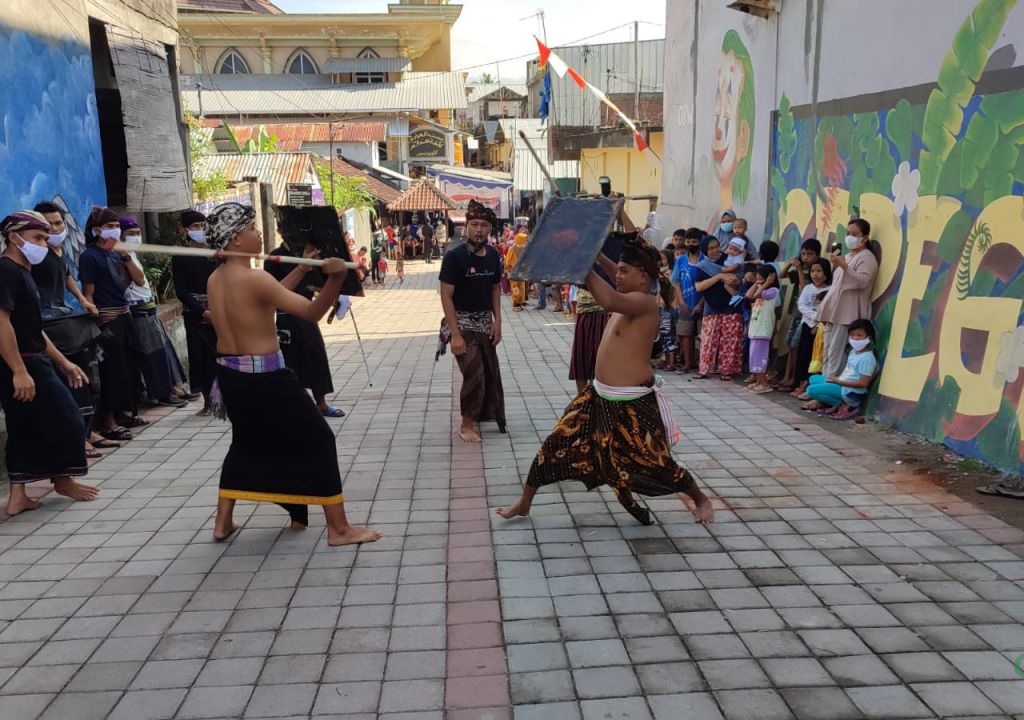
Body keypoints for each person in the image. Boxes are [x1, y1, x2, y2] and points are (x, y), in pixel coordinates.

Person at [496, 238, 713, 527]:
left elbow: (609, 299)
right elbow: (615, 281)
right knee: (555, 443)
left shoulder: (642, 302)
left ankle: (700, 499)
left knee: (656, 463)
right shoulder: (632, 290)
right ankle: (525, 502)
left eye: (624, 271)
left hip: (632, 402)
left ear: (643, 277)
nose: (618, 275)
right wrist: (596, 254)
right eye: (617, 270)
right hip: (597, 396)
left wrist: (583, 267)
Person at [203, 202, 381, 545]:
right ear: (236, 240)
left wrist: (300, 266)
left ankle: (222, 520)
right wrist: (337, 278)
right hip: (266, 379)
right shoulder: (254, 278)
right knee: (320, 439)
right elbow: (312, 311)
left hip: (230, 374)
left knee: (246, 441)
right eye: (251, 228)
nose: (258, 233)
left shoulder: (218, 278)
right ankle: (339, 529)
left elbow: (266, 298)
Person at [0, 211, 98, 516]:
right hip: (22, 363)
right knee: (68, 418)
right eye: (37, 238)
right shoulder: (6, 271)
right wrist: (19, 371)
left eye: (45, 237)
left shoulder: (22, 271)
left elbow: (33, 328)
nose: (44, 244)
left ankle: (18, 496)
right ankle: (63, 479)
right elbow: (2, 322)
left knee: (23, 426)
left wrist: (64, 362)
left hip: (32, 358)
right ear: (15, 238)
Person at [437, 199, 506, 443]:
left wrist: (498, 322)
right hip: (461, 322)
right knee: (474, 372)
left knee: (489, 372)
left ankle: (483, 414)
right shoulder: (454, 257)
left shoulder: (494, 256)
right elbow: (446, 296)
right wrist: (455, 334)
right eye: (474, 224)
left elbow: (496, 288)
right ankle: (466, 425)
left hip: (484, 322)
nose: (479, 229)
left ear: (490, 229)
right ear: (466, 227)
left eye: (484, 225)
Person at [79, 206, 146, 440]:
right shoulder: (90, 256)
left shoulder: (118, 254)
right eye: (110, 227)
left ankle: (123, 413)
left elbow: (139, 280)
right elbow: (88, 293)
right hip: (107, 319)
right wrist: (95, 318)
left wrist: (126, 255)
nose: (115, 230)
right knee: (112, 371)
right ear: (97, 230)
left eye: (117, 226)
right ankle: (108, 421)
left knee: (129, 367)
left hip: (125, 315)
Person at [264, 241, 345, 418]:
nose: (259, 234)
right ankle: (295, 406)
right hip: (286, 317)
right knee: (291, 362)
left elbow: (318, 286)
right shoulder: (274, 258)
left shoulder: (310, 255)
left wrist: (336, 286)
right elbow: (274, 292)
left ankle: (321, 404)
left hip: (307, 313)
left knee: (316, 356)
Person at [120, 217, 187, 409]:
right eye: (130, 234)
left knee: (163, 349)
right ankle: (160, 392)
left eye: (137, 233)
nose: (135, 237)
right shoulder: (121, 256)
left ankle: (171, 388)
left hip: (148, 307)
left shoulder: (132, 254)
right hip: (137, 309)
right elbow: (139, 281)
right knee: (152, 353)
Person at [816, 218, 879, 379]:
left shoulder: (867, 257)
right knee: (828, 353)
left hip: (847, 315)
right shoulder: (848, 256)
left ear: (864, 237)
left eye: (855, 234)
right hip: (834, 314)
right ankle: (823, 386)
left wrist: (844, 266)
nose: (850, 237)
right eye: (848, 233)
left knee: (837, 356)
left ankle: (829, 391)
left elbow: (862, 281)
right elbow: (836, 286)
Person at [172, 210, 218, 416]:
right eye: (195, 227)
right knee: (200, 358)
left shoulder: (216, 253)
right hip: (195, 314)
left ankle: (225, 398)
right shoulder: (181, 256)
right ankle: (208, 401)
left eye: (203, 226)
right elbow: (181, 290)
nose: (200, 230)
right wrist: (202, 311)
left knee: (222, 355)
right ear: (185, 230)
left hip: (219, 311)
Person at [31, 202, 97, 320]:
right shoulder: (35, 252)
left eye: (58, 223)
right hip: (42, 317)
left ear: (65, 224)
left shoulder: (60, 249)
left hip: (60, 313)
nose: (54, 229)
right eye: (48, 224)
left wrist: (82, 299)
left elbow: (66, 274)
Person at [805, 319, 878, 420]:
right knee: (813, 379)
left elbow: (863, 383)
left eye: (859, 335)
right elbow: (849, 373)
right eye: (852, 335)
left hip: (850, 392)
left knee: (811, 390)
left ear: (868, 338)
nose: (855, 338)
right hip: (843, 385)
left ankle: (846, 406)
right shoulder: (853, 351)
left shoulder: (867, 358)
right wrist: (837, 379)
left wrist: (839, 382)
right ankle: (837, 404)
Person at [693, 237, 744, 380]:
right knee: (709, 340)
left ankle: (726, 371)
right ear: (704, 250)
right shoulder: (702, 266)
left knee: (730, 340)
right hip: (712, 306)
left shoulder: (730, 260)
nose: (715, 250)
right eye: (710, 248)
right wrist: (719, 276)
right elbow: (699, 286)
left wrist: (736, 281)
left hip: (731, 306)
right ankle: (704, 369)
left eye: (717, 246)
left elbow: (741, 277)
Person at [793, 258, 832, 398]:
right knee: (804, 355)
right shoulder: (808, 288)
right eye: (813, 271)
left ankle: (812, 385)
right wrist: (815, 316)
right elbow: (801, 305)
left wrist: (820, 319)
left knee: (818, 356)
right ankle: (801, 383)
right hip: (807, 324)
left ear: (826, 273)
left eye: (819, 271)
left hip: (822, 328)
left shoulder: (831, 289)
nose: (815, 274)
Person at [671, 228, 704, 373]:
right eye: (688, 241)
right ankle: (687, 363)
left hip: (703, 304)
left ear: (700, 242)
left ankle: (703, 364)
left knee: (704, 337)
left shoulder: (706, 260)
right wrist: (681, 301)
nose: (691, 244)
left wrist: (700, 304)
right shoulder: (681, 260)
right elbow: (675, 282)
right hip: (685, 304)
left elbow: (710, 282)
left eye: (694, 241)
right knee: (685, 335)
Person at [745, 265, 780, 394]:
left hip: (763, 329)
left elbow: (758, 294)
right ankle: (759, 382)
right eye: (757, 278)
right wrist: (757, 283)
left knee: (760, 357)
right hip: (755, 328)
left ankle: (764, 384)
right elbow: (749, 295)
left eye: (761, 278)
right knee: (754, 357)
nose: (759, 281)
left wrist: (766, 284)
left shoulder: (773, 291)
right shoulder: (761, 287)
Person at [506, 229, 528, 311]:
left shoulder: (523, 248)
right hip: (514, 271)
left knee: (520, 287)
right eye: (524, 239)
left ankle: (520, 302)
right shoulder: (513, 249)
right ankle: (516, 304)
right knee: (516, 287)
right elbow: (508, 261)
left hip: (520, 271)